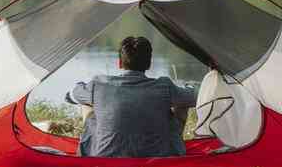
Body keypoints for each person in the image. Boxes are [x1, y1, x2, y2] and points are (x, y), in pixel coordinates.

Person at [65, 36, 197, 158]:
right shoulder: (164, 86)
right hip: (160, 154)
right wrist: (188, 87)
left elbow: (70, 96)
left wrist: (83, 87)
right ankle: (174, 148)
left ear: (120, 63)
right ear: (149, 64)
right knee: (182, 103)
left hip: (103, 155)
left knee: (86, 102)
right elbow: (196, 98)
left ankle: (86, 150)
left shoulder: (98, 84)